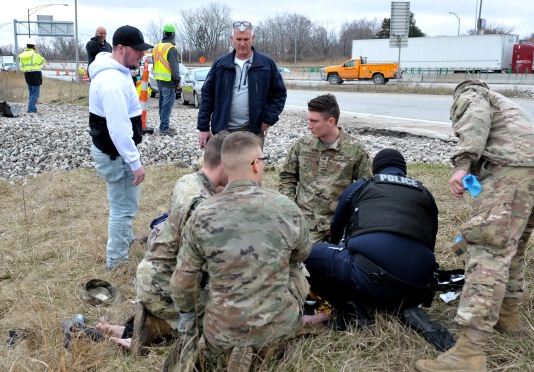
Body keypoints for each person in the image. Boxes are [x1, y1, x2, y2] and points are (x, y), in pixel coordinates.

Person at [415, 80, 534, 372]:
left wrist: (463, 164)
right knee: (515, 244)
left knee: (489, 247)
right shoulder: (509, 107)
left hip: (515, 166)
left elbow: (475, 119)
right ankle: (508, 314)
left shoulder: (470, 93)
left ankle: (468, 353)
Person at [169, 132, 312, 372]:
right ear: (256, 164)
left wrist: (191, 316)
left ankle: (230, 349)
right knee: (297, 269)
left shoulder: (202, 213)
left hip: (219, 335)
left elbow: (182, 283)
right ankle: (267, 345)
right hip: (277, 330)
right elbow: (303, 253)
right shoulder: (285, 207)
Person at [302, 148, 454, 351]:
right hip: (418, 287)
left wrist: (339, 254)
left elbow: (337, 227)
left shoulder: (362, 186)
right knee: (385, 274)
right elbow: (429, 242)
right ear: (404, 170)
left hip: (370, 276)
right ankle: (400, 308)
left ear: (376, 170)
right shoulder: (426, 193)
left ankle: (348, 308)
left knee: (308, 253)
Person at [97, 134, 229, 353]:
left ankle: (135, 329)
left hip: (153, 275)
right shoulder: (201, 206)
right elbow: (207, 265)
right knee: (226, 322)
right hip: (164, 285)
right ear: (225, 164)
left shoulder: (189, 181)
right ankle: (138, 339)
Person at [88, 25, 153, 270]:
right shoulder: (112, 81)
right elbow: (118, 129)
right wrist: (135, 162)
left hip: (114, 151)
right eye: (137, 51)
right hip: (116, 154)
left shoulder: (117, 70)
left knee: (124, 205)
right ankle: (117, 262)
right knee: (123, 208)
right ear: (120, 49)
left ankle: (124, 242)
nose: (141, 55)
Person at [279, 93, 371, 243]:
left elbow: (366, 188)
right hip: (307, 223)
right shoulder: (302, 146)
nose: (309, 126)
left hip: (341, 224)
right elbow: (287, 177)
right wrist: (291, 210)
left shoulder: (355, 149)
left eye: (314, 121)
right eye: (308, 120)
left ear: (331, 121)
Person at [197, 21, 287, 149]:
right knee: (223, 168)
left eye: (246, 39)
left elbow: (280, 94)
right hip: (223, 130)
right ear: (232, 39)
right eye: (238, 39)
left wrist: (268, 120)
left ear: (253, 38)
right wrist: (203, 127)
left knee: (251, 168)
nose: (242, 43)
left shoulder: (266, 64)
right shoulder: (220, 64)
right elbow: (207, 95)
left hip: (253, 130)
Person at [153, 23, 181, 136]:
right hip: (168, 81)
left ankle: (163, 125)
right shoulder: (171, 49)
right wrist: (177, 80)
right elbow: (175, 67)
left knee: (162, 104)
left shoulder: (156, 47)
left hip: (159, 79)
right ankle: (164, 128)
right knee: (167, 105)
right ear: (173, 34)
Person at [18, 38, 45, 114]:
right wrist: (37, 53)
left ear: (27, 46)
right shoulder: (35, 55)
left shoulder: (22, 56)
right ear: (33, 46)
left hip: (27, 75)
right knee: (35, 94)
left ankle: (34, 109)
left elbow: (21, 67)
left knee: (31, 92)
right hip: (35, 74)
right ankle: (30, 109)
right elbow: (43, 61)